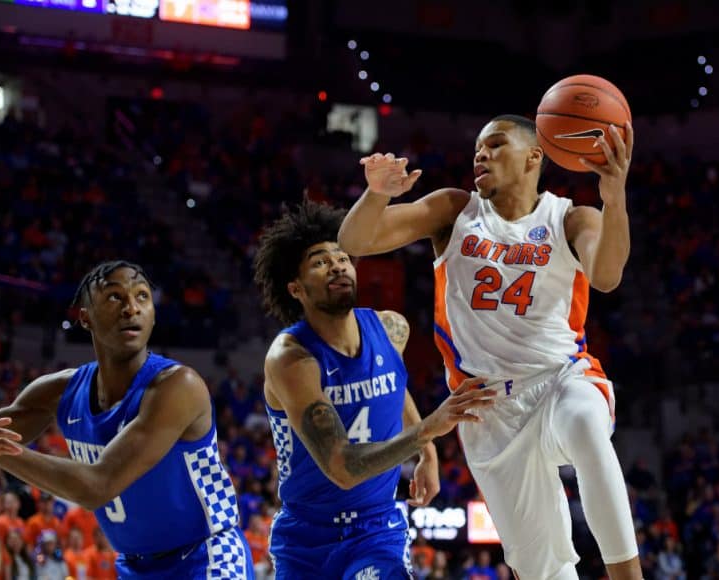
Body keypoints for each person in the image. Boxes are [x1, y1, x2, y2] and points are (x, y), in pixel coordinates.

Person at [339, 115, 640, 578]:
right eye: (477, 148)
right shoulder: (454, 210)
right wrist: (377, 193)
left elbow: (606, 276)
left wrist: (614, 197)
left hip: (562, 379)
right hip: (486, 406)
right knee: (541, 568)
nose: (481, 154)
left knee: (584, 425)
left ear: (534, 157)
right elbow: (354, 240)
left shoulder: (571, 217)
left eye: (496, 145)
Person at [0, 260, 254, 578]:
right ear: (85, 317)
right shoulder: (60, 391)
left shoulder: (178, 386)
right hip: (134, 566)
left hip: (207, 554)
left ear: (153, 316)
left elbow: (97, 486)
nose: (131, 308)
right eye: (115, 296)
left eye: (142, 296)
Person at [253, 200, 495, 579]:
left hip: (375, 529)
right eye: (319, 261)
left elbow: (393, 388)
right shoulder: (291, 359)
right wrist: (428, 429)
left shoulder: (390, 329)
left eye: (342, 258)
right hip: (306, 538)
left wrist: (427, 451)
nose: (336, 265)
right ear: (296, 289)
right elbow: (344, 468)